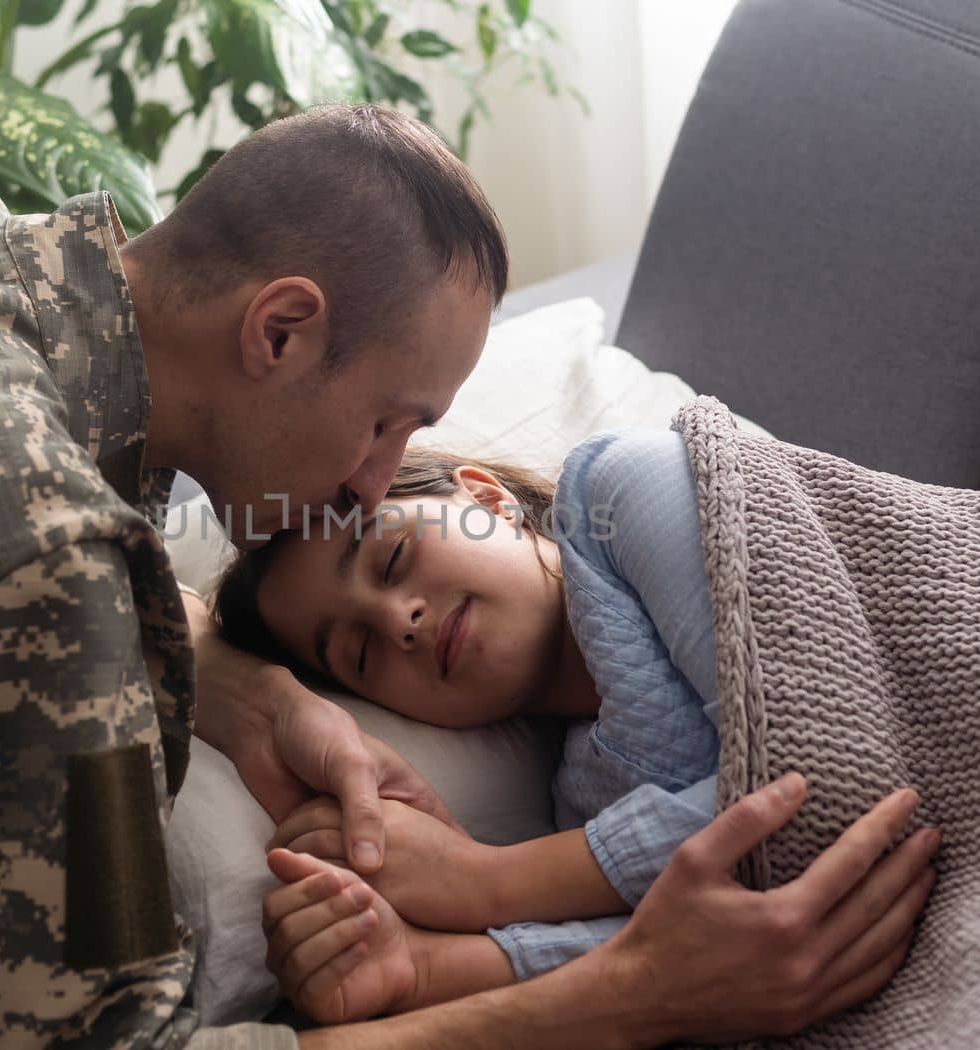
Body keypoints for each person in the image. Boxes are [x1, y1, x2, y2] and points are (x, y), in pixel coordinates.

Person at [0, 101, 932, 1048]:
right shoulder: (48, 572)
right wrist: (633, 996)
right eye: (390, 418)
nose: (371, 479)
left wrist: (239, 688)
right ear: (281, 330)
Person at [213, 430, 938, 1028]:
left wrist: (483, 882)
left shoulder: (631, 487)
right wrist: (420, 968)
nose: (398, 619)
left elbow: (828, 769)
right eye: (360, 654)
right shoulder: (583, 801)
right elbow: (708, 962)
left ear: (486, 501)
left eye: (394, 557)